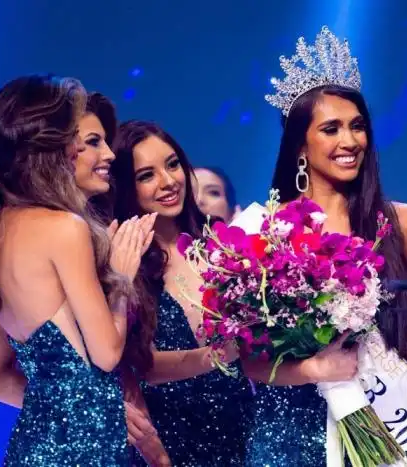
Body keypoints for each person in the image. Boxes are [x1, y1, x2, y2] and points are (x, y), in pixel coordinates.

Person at [244, 26, 407, 466]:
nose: (350, 141)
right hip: (293, 433)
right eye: (331, 128)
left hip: (393, 424)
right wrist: (312, 370)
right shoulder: (265, 232)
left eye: (358, 126)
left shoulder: (399, 222)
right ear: (300, 145)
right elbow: (249, 362)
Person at [0, 74, 146, 465]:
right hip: (84, 451)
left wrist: (79, 407)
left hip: (37, 444)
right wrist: (122, 277)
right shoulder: (63, 229)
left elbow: (7, 380)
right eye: (84, 139)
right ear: (52, 146)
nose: (106, 153)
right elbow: (107, 353)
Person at [111, 120, 252, 466]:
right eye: (147, 175)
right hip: (169, 441)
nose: (169, 181)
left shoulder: (220, 243)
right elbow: (138, 365)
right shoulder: (123, 260)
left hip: (245, 431)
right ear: (126, 187)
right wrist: (216, 355)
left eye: (172, 164)